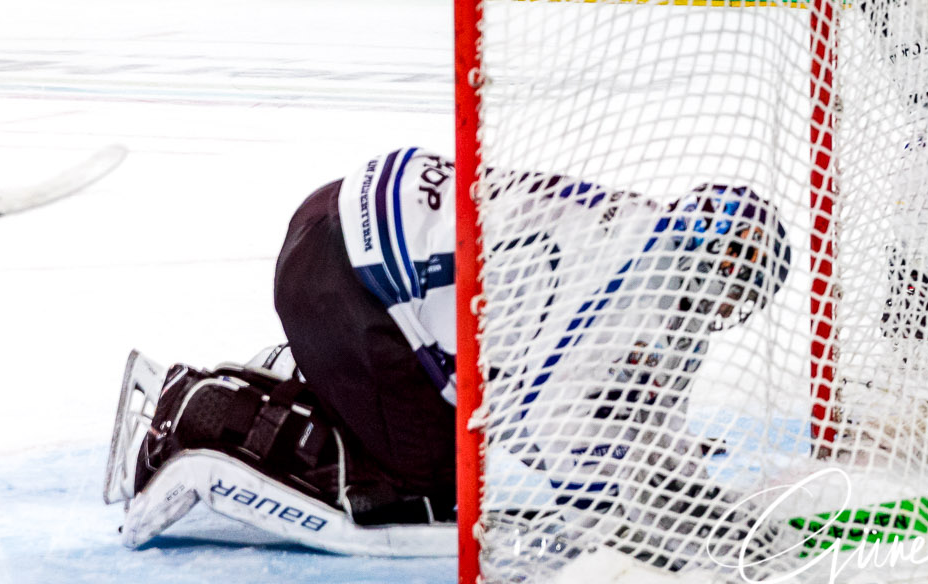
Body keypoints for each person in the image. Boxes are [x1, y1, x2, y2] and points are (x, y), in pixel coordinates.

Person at [109, 153, 790, 561]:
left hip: (343, 230)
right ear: (717, 267)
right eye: (742, 281)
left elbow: (643, 409)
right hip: (342, 277)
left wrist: (694, 500)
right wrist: (629, 538)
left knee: (449, 422)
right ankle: (201, 413)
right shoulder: (636, 287)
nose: (738, 304)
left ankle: (305, 376)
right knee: (427, 488)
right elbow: (548, 418)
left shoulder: (660, 257)